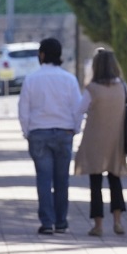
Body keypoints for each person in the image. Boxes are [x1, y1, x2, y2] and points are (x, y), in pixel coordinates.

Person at [18, 37, 82, 235]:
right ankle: (61, 222)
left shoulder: (31, 78)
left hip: (39, 132)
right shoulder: (69, 79)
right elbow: (77, 108)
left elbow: (23, 109)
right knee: (62, 179)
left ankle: (47, 222)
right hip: (64, 132)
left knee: (44, 179)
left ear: (42, 55)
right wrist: (75, 128)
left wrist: (27, 131)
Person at [73, 48, 127, 237]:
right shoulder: (122, 86)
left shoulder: (92, 89)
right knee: (115, 180)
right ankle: (118, 222)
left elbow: (80, 110)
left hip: (95, 140)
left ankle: (98, 225)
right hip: (116, 139)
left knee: (95, 183)